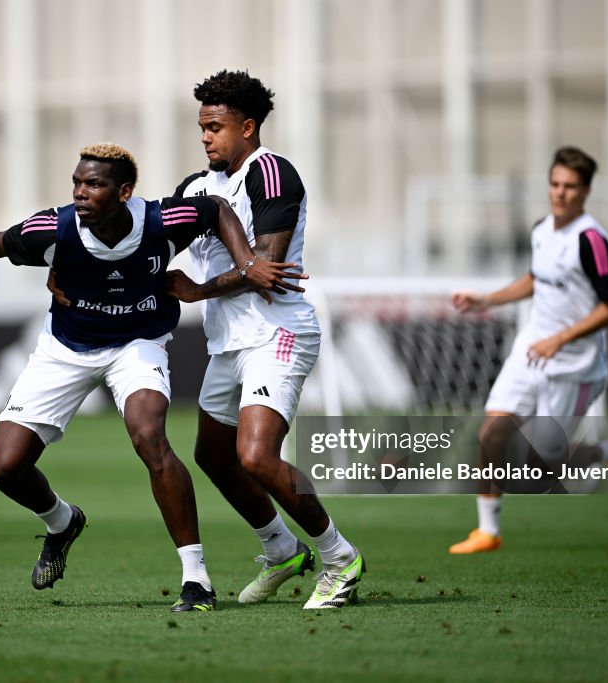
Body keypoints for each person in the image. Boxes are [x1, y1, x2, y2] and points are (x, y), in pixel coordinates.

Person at [0, 143, 305, 612]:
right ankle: (62, 522)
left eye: (94, 184)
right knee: (4, 467)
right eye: (77, 183)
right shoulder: (56, 228)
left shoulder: (163, 220)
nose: (81, 193)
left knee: (150, 437)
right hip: (65, 348)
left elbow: (217, 210)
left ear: (124, 192)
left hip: (137, 344)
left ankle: (196, 578)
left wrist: (246, 261)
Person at [169, 70, 362, 609]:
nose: (205, 137)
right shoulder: (195, 188)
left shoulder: (271, 173)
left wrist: (201, 288)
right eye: (202, 127)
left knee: (254, 456)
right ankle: (281, 549)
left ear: (248, 127)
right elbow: (158, 242)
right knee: (212, 454)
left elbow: (268, 267)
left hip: (279, 332)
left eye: (215, 127)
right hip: (228, 342)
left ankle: (340, 558)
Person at [447, 146, 608, 554]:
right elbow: (535, 278)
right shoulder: (541, 229)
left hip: (574, 367)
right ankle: (487, 531)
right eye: (554, 184)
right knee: (491, 434)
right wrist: (485, 301)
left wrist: (560, 339)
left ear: (585, 192)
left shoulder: (592, 240)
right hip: (530, 353)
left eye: (569, 187)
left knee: (541, 465)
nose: (559, 193)